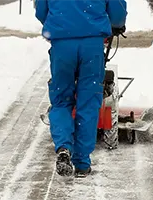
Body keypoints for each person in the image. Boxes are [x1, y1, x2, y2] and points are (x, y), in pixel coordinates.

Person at [35, 0, 127, 177]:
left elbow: (41, 12)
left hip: (62, 45)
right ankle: (82, 163)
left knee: (61, 100)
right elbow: (117, 12)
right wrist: (117, 25)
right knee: (89, 101)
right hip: (92, 45)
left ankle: (63, 147)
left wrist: (60, 24)